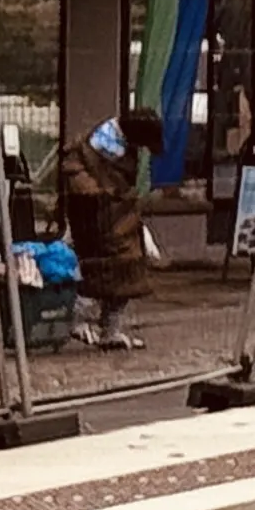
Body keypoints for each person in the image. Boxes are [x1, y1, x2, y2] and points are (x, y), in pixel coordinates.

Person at [58, 108, 163, 351]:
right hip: (96, 220)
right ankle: (77, 319)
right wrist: (101, 196)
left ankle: (111, 328)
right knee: (102, 271)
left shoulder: (123, 147)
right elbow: (77, 178)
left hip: (119, 218)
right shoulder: (91, 146)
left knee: (127, 270)